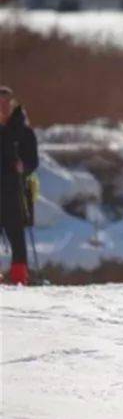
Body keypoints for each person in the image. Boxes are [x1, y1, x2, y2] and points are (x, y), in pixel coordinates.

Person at [0, 86, 40, 285]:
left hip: (14, 191)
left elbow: (33, 160)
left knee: (17, 236)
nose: (3, 106)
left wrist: (23, 166)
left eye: (6, 102)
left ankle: (19, 279)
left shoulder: (23, 131)